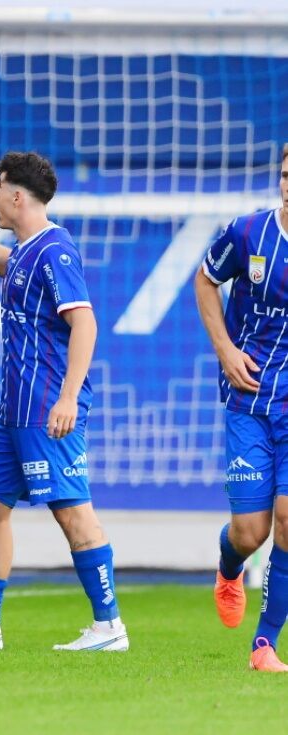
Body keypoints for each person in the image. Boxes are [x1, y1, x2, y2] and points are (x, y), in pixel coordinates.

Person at [0, 151, 128, 652]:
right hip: (14, 408)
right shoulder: (27, 251)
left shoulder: (56, 251)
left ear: (16, 195)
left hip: (46, 406)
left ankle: (109, 626)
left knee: (72, 510)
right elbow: (7, 265)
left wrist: (68, 398)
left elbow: (85, 323)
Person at [193, 143, 288, 672]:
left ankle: (264, 645)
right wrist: (226, 351)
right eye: (286, 175)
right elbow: (205, 280)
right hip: (249, 396)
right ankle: (229, 567)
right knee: (251, 532)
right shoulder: (248, 233)